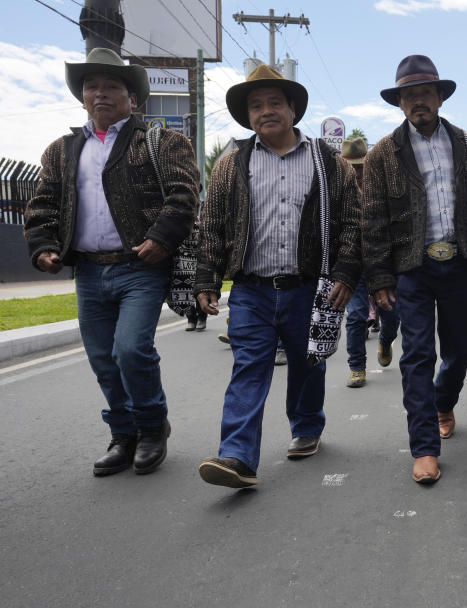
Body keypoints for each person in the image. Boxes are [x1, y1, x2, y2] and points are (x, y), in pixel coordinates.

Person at [23, 48, 200, 476]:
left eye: (111, 87)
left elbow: (184, 194)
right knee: (103, 357)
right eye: (91, 87)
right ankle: (124, 434)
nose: (100, 93)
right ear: (82, 97)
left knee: (131, 349)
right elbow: (43, 203)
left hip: (140, 266)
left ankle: (153, 426)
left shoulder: (162, 142)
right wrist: (43, 244)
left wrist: (160, 237)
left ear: (132, 98)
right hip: (87, 270)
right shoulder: (62, 150)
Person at [194, 65, 361, 488]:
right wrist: (206, 279)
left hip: (308, 287)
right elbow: (212, 223)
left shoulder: (328, 163)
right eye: (256, 105)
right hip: (251, 289)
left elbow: (352, 222)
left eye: (273, 103)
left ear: (292, 109)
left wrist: (345, 272)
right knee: (249, 367)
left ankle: (306, 426)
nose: (265, 111)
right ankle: (236, 456)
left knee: (308, 364)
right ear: (247, 116)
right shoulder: (232, 165)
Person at [362, 55, 467, 484]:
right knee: (418, 354)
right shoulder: (384, 153)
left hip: (460, 262)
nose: (417, 101)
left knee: (460, 349)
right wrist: (381, 278)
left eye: (424, 93)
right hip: (412, 268)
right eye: (409, 95)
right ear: (399, 102)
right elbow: (372, 220)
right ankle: (423, 447)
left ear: (439, 97)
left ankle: (444, 402)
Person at [341, 136, 400, 388]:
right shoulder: (340, 193)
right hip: (353, 266)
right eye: (351, 167)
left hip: (383, 264)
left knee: (392, 314)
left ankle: (386, 341)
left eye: (360, 166)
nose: (356, 172)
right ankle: (356, 366)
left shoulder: (382, 188)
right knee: (355, 316)